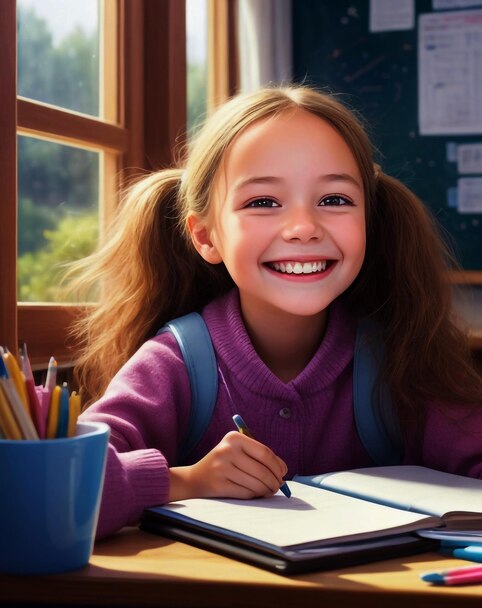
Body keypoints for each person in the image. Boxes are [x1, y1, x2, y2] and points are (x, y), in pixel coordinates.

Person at [71, 85, 482, 540]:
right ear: (205, 236)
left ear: (370, 219)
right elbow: (66, 487)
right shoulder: (174, 363)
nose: (304, 228)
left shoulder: (401, 356)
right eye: (263, 203)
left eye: (335, 200)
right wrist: (188, 480)